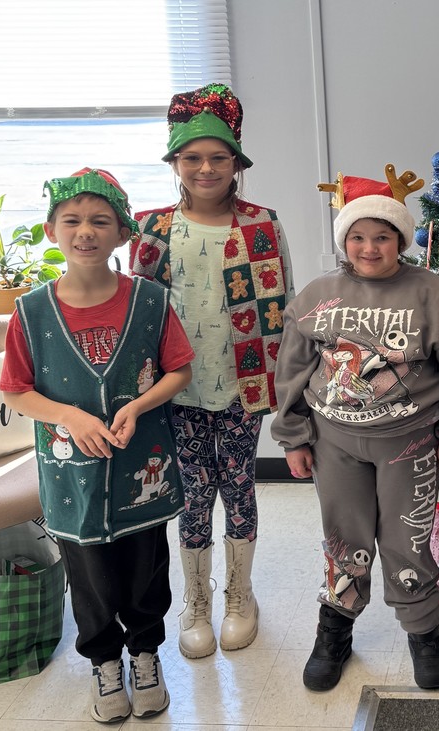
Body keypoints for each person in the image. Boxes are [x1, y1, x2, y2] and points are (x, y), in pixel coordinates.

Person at [270, 164, 439, 691]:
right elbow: (292, 370)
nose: (370, 248)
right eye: (358, 237)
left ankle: (422, 632)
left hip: (409, 441)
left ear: (401, 240)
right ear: (345, 241)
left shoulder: (432, 294)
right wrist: (293, 437)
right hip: (334, 442)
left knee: (406, 538)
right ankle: (335, 630)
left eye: (383, 237)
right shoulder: (318, 297)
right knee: (343, 537)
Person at [0, 168, 194, 723]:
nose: (86, 231)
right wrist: (67, 416)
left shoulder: (151, 302)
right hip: (71, 475)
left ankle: (146, 653)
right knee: (87, 573)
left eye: (100, 221)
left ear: (122, 233)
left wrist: (137, 404)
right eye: (73, 221)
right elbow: (15, 389)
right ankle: (105, 660)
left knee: (145, 566)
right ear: (51, 230)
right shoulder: (31, 312)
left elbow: (178, 369)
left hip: (142, 468)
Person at [129, 83, 295, 659]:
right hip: (175, 390)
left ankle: (239, 595)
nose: (205, 168)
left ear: (236, 164)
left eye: (217, 157)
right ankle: (194, 600)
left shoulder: (262, 225)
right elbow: (136, 319)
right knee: (193, 495)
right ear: (176, 163)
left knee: (239, 486)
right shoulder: (150, 231)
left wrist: (289, 391)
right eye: (192, 157)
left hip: (241, 387)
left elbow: (285, 312)